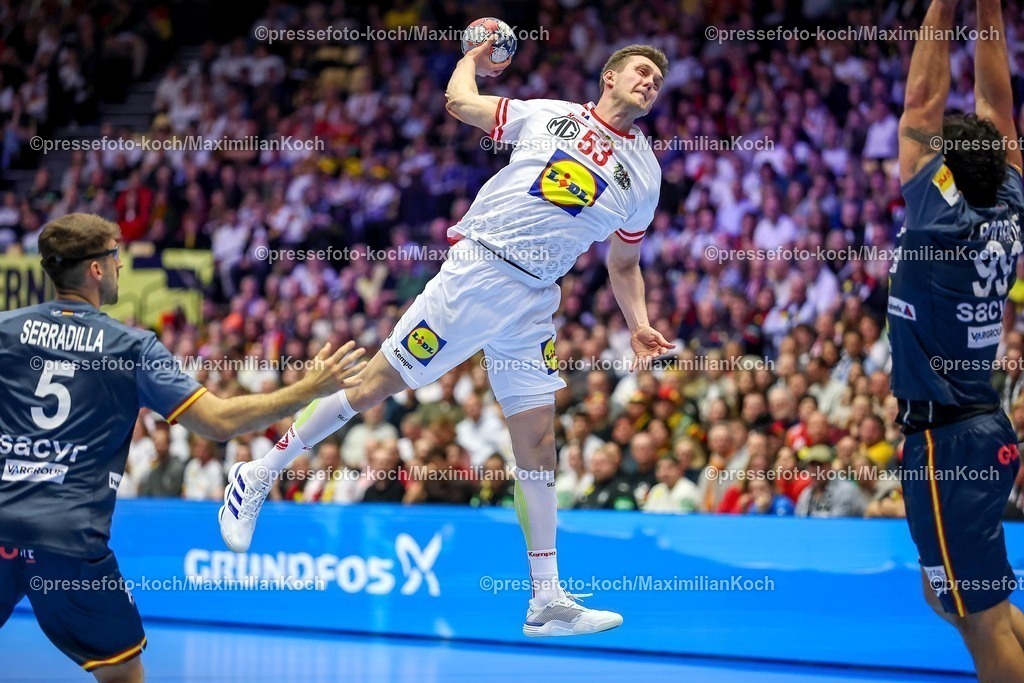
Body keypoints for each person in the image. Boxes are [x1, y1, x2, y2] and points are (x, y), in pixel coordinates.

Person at [221, 40, 674, 637]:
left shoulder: (645, 173)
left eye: (659, 77)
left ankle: (546, 600)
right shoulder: (549, 114)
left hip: (534, 299)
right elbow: (461, 103)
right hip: (479, 273)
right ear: (610, 76)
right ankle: (260, 473)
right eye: (641, 70)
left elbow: (622, 265)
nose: (651, 81)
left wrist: (637, 322)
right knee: (373, 385)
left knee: (538, 442)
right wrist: (472, 55)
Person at [0, 214, 366, 683]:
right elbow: (218, 422)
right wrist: (307, 388)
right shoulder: (129, 347)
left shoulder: (8, 331)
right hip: (67, 537)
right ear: (95, 269)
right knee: (122, 675)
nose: (120, 267)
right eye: (115, 257)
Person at [889, 1, 1024, 678]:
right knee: (974, 603)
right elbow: (997, 107)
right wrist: (989, 7)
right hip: (978, 428)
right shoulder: (1007, 203)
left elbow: (924, 100)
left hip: (948, 440)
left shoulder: (940, 214)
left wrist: (950, 3)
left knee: (979, 620)